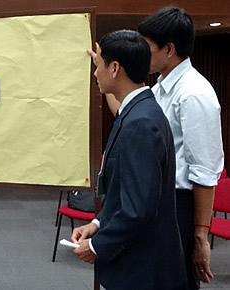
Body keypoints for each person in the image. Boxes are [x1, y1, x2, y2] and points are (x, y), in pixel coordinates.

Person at [72, 30, 187, 289]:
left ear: (114, 68)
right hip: (141, 263)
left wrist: (99, 245)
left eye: (99, 64)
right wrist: (98, 223)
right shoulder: (136, 111)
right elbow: (127, 189)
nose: (95, 72)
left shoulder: (141, 122)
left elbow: (139, 208)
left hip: (143, 270)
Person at [138, 7, 225, 288]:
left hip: (181, 207)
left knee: (177, 282)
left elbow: (205, 171)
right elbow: (130, 115)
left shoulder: (194, 94)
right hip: (160, 201)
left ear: (169, 49)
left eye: (147, 47)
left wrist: (200, 236)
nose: (143, 54)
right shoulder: (162, 87)